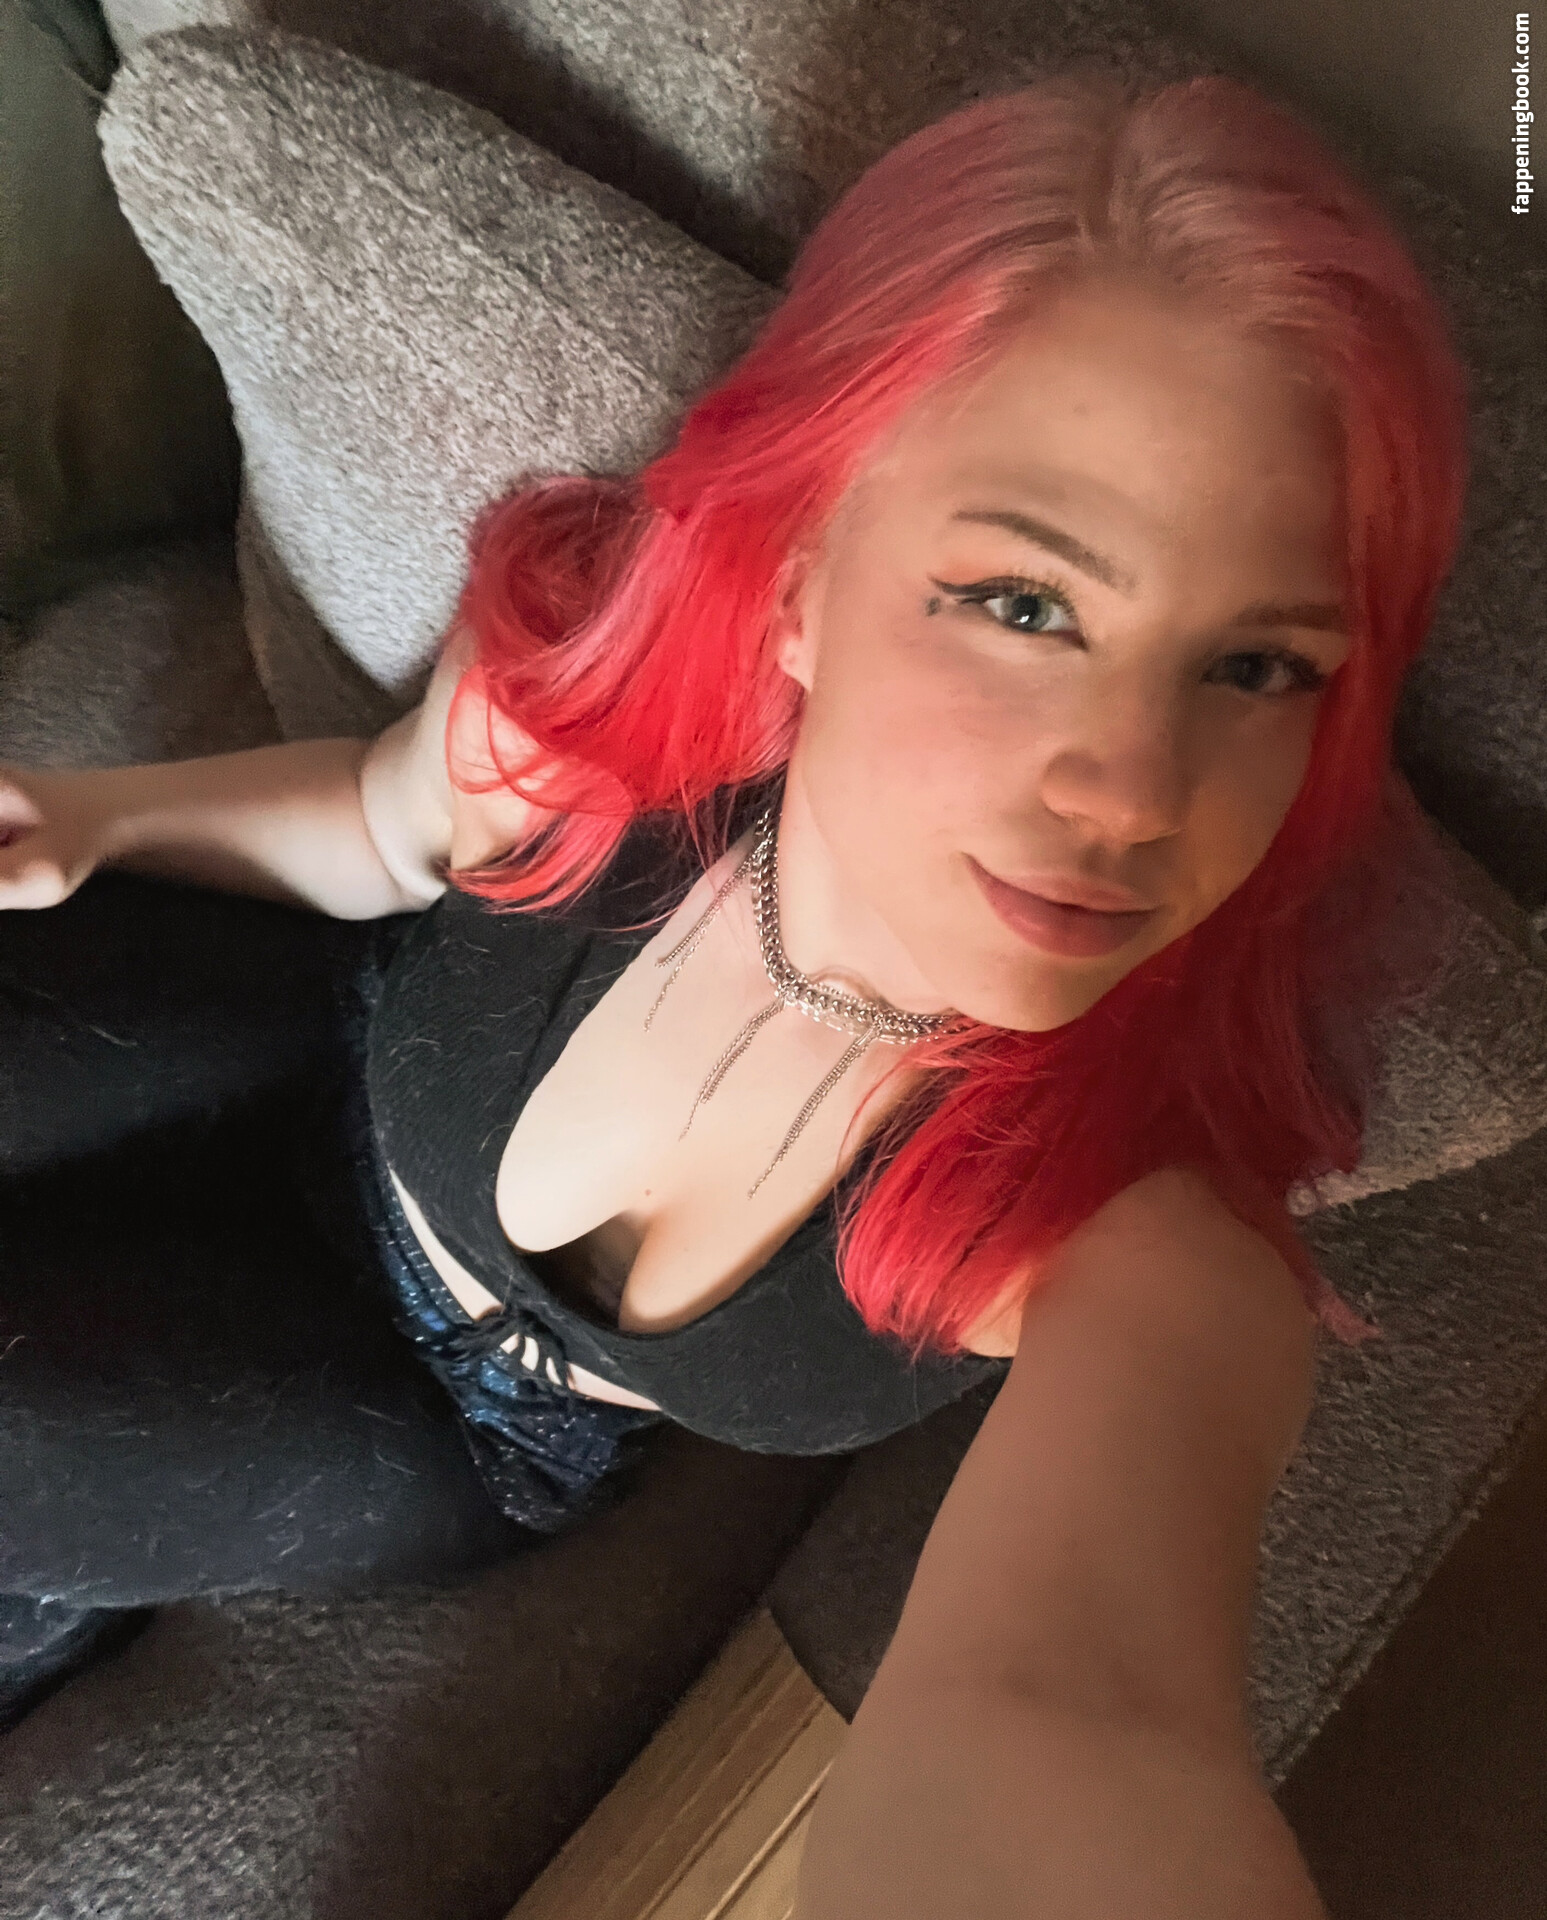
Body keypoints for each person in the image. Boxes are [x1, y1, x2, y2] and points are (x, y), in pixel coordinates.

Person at [0, 62, 1467, 1919]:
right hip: (313, 1055)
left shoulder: (1127, 1238)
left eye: (1255, 667)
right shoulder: (603, 742)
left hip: (440, 1421)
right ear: (801, 576)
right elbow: (379, 829)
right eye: (1024, 604)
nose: (1131, 790)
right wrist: (93, 818)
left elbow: (1076, 1717)